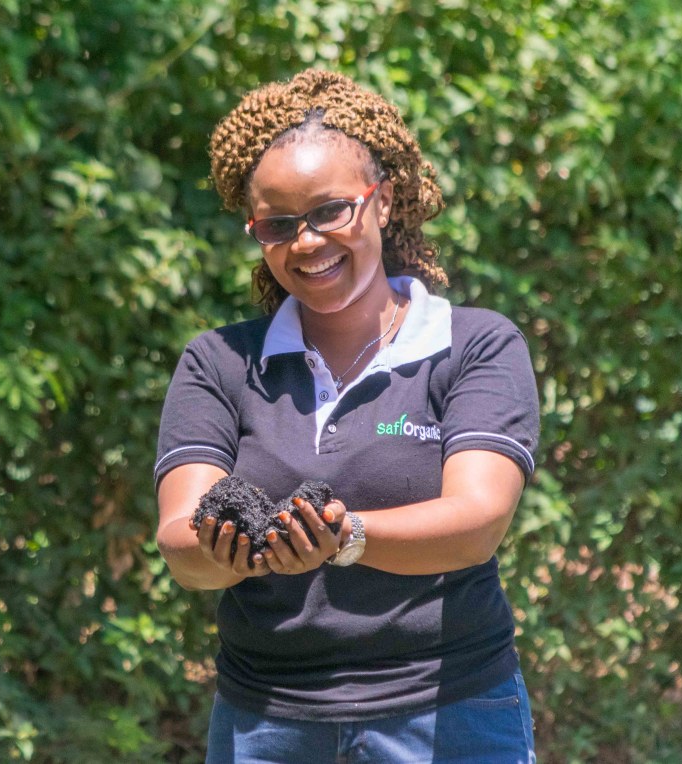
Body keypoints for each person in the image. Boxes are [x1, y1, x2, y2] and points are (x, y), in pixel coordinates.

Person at [155, 69, 539, 763]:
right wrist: (227, 550)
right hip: (266, 722)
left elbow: (477, 524)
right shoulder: (220, 363)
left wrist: (344, 537)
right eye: (277, 225)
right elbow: (183, 547)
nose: (305, 242)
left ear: (382, 201)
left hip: (449, 712)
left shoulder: (474, 345)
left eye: (330, 211)